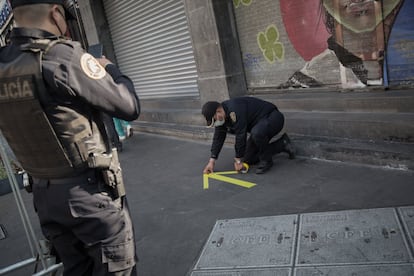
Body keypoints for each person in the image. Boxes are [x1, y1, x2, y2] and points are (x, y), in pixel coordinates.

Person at [0, 0, 140, 275]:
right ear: (55, 13)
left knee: (76, 269)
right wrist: (111, 70)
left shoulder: (4, 64)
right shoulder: (61, 56)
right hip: (89, 199)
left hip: (44, 197)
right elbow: (129, 106)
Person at [202, 96, 295, 175]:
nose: (216, 122)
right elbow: (218, 138)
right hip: (259, 126)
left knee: (257, 133)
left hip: (273, 118)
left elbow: (240, 135)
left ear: (218, 111)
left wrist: (238, 159)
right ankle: (282, 144)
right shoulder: (222, 117)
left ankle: (267, 161)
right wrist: (212, 161)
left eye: (215, 119)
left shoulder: (234, 109)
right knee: (248, 158)